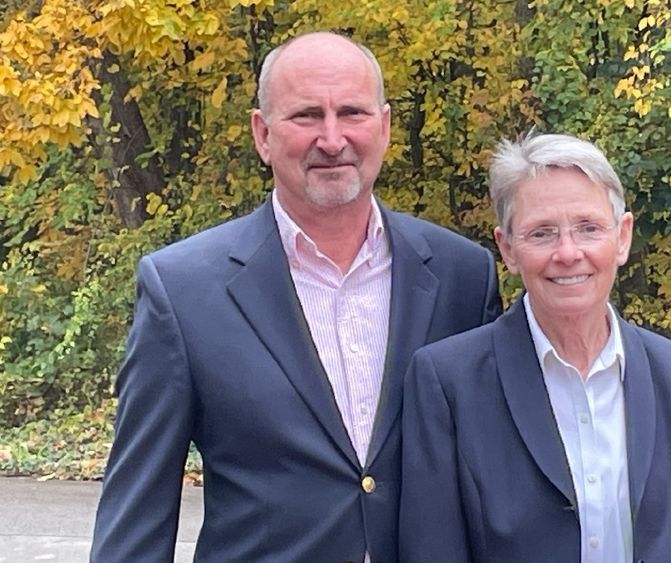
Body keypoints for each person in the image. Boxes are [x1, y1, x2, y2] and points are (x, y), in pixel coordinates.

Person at [91, 32, 501, 562]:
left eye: (351, 112)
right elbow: (137, 512)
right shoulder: (184, 291)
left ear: (385, 126)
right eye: (306, 116)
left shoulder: (462, 276)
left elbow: (496, 480)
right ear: (262, 134)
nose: (332, 140)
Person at [399, 133, 671, 562]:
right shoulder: (448, 382)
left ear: (622, 238)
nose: (568, 253)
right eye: (541, 233)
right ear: (507, 249)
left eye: (588, 228)